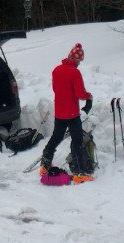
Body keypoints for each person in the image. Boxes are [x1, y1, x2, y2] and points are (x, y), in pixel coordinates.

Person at [40, 42, 94, 180]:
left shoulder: (56, 70)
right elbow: (80, 94)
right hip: (72, 113)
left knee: (56, 137)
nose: (79, 64)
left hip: (59, 112)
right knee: (77, 140)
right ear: (76, 59)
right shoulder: (74, 72)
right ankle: (79, 171)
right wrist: (89, 96)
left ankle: (44, 163)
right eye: (79, 61)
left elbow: (55, 89)